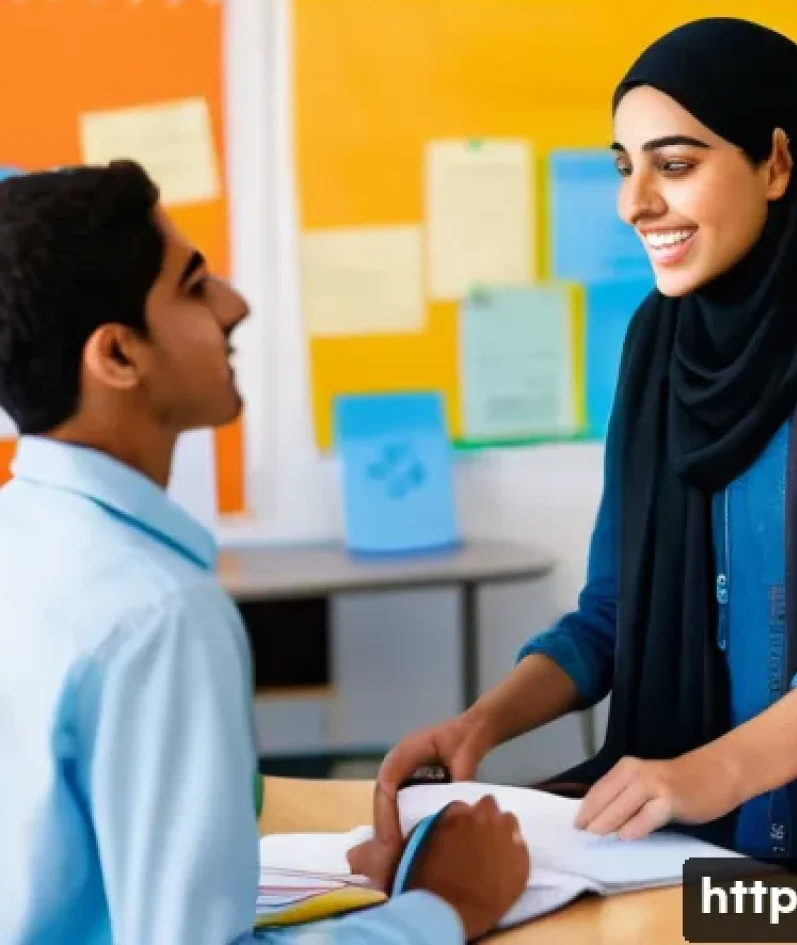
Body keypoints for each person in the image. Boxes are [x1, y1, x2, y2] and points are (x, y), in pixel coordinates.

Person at [365, 18, 797, 871]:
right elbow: (610, 616)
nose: (634, 203)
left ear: (777, 162)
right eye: (623, 167)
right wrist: (479, 725)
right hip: (686, 844)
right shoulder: (659, 342)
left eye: (673, 165)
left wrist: (697, 779)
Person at [0, 162, 527, 945]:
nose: (234, 304)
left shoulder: (22, 536)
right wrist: (444, 906)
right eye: (194, 286)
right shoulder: (160, 613)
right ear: (117, 356)